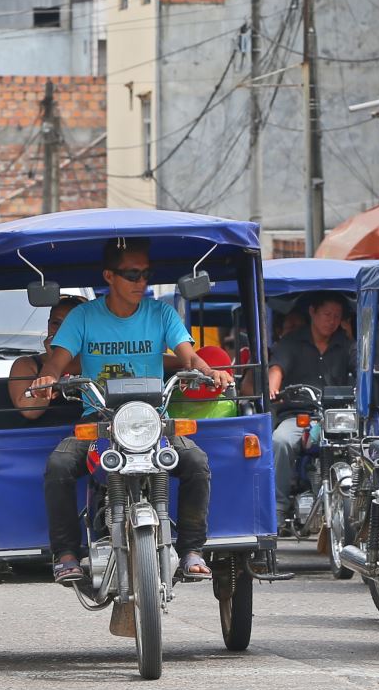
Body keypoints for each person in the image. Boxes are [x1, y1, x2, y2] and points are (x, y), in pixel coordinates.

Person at [26, 238, 230, 583]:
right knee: (59, 465)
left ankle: (192, 550)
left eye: (146, 274)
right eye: (132, 274)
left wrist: (210, 371)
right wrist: (48, 376)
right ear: (109, 276)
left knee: (197, 462)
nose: (141, 283)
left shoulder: (161, 314)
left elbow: (188, 357)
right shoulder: (84, 317)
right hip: (100, 421)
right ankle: (66, 554)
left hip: (154, 421)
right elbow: (57, 361)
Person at [266, 291, 354, 528]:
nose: (332, 320)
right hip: (299, 416)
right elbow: (277, 368)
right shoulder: (292, 342)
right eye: (327, 314)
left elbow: (361, 370)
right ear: (313, 312)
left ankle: (355, 506)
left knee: (361, 449)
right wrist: (273, 388)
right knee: (280, 441)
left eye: (337, 316)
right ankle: (278, 509)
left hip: (337, 418)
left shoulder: (346, 344)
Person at [8, 295, 86, 421]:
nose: (62, 330)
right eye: (56, 323)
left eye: (70, 324)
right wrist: (53, 360)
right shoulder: (26, 365)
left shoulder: (94, 361)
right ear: (48, 324)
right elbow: (30, 412)